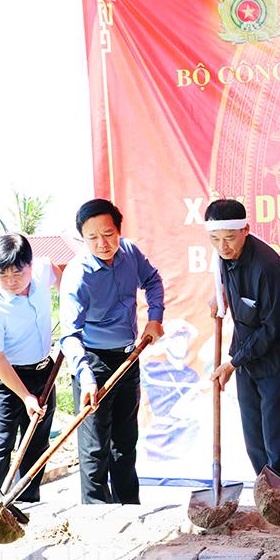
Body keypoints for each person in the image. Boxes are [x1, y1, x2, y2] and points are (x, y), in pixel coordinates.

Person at [61, 199, 165, 504]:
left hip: (128, 358)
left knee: (125, 442)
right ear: (82, 238)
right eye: (91, 237)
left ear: (118, 230)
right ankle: (95, 516)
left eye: (107, 234)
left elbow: (153, 281)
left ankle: (129, 510)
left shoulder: (130, 253)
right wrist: (86, 377)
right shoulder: (78, 275)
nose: (101, 244)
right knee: (95, 448)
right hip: (92, 362)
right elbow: (69, 335)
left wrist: (155, 318)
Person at [204, 199, 280, 478]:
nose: (223, 246)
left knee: (277, 436)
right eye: (215, 239)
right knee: (253, 436)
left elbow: (270, 329)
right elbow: (228, 284)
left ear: (245, 230)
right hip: (247, 355)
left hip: (276, 358)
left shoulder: (267, 267)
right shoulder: (222, 257)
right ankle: (264, 490)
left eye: (229, 238)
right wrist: (220, 294)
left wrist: (233, 362)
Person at [0, 234, 61, 502]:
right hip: (6, 378)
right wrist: (25, 396)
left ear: (30, 264)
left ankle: (26, 501)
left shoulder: (43, 271)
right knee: (3, 440)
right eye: (2, 274)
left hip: (43, 371)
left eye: (17, 272)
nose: (11, 281)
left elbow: (61, 277)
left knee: (36, 439)